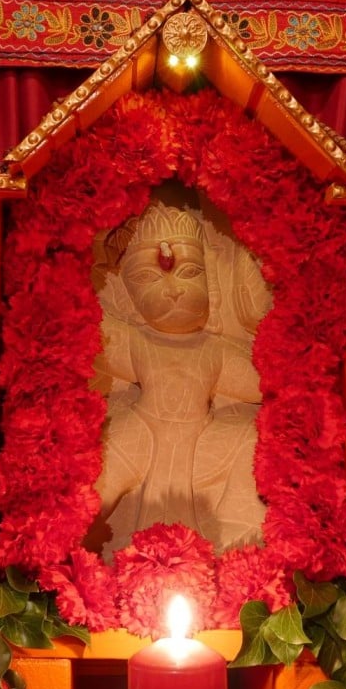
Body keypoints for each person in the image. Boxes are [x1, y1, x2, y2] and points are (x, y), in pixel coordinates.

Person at [91, 194, 269, 556]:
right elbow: (81, 336)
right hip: (140, 437)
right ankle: (72, 543)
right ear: (127, 297)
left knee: (250, 429)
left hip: (204, 445)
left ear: (211, 282)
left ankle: (238, 538)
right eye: (147, 277)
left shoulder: (215, 349)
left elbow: (268, 383)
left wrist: (248, 279)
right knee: (101, 449)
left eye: (190, 272)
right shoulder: (135, 341)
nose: (172, 290)